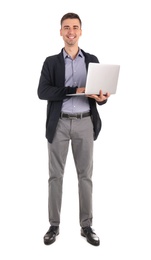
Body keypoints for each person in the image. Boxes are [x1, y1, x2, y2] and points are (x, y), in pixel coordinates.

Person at [37, 12, 110, 246]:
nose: (71, 31)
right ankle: (54, 225)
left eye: (75, 27)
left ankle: (86, 226)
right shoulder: (51, 62)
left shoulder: (92, 59)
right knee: (55, 176)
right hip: (58, 123)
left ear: (80, 31)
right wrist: (75, 90)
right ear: (60, 31)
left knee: (85, 176)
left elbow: (100, 94)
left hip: (84, 122)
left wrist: (102, 98)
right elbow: (43, 92)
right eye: (66, 27)